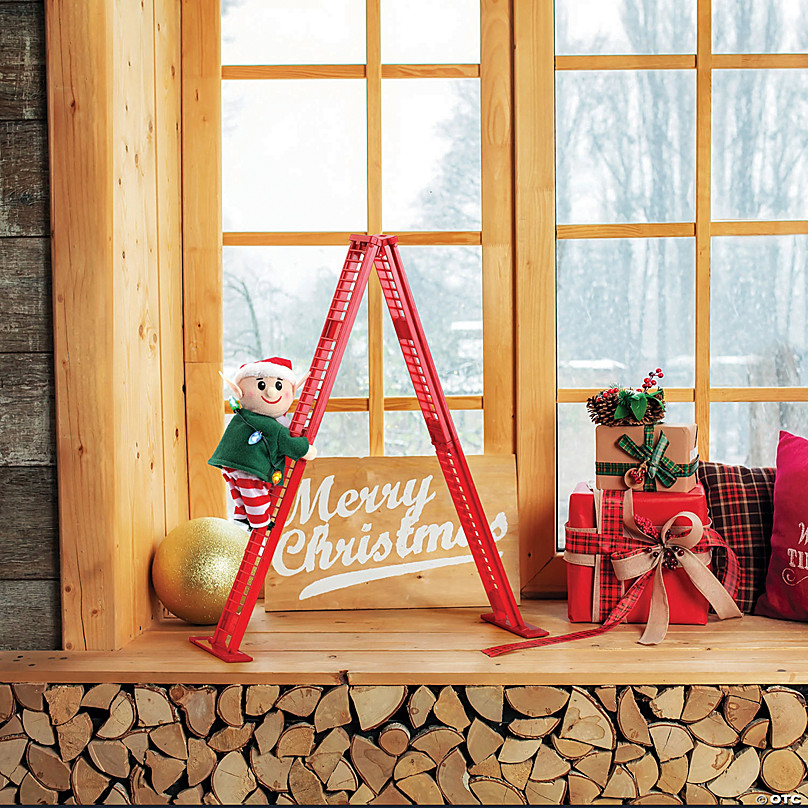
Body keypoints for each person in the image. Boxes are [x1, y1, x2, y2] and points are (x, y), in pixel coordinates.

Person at [209, 357, 316, 530]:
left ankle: (241, 517)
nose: (271, 392)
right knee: (255, 493)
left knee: (240, 493)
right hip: (249, 467)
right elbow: (290, 445)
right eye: (261, 386)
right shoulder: (272, 427)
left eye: (279, 386)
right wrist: (306, 449)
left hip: (228, 463)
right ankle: (260, 523)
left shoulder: (243, 416)